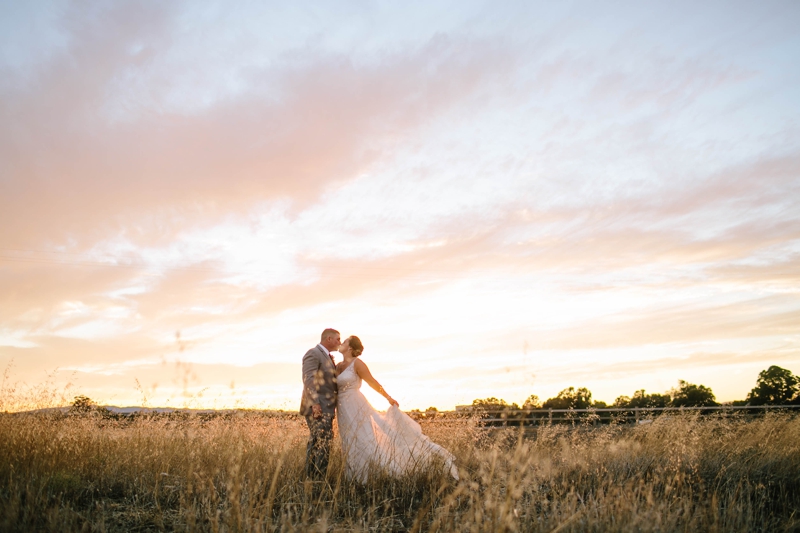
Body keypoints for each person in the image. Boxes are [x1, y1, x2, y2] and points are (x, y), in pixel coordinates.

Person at [335, 335, 459, 483]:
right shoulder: (337, 366)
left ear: (349, 348)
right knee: (348, 440)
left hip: (356, 404)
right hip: (342, 408)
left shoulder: (357, 364)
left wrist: (388, 397)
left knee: (364, 438)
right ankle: (354, 478)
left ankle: (372, 477)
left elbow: (372, 382)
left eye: (344, 341)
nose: (340, 343)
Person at [300, 328, 341, 479]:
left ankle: (316, 478)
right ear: (328, 339)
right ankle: (314, 479)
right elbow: (308, 379)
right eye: (337, 339)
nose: (339, 342)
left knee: (323, 443)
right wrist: (315, 404)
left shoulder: (327, 356)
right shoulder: (313, 353)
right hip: (317, 407)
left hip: (327, 407)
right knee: (320, 443)